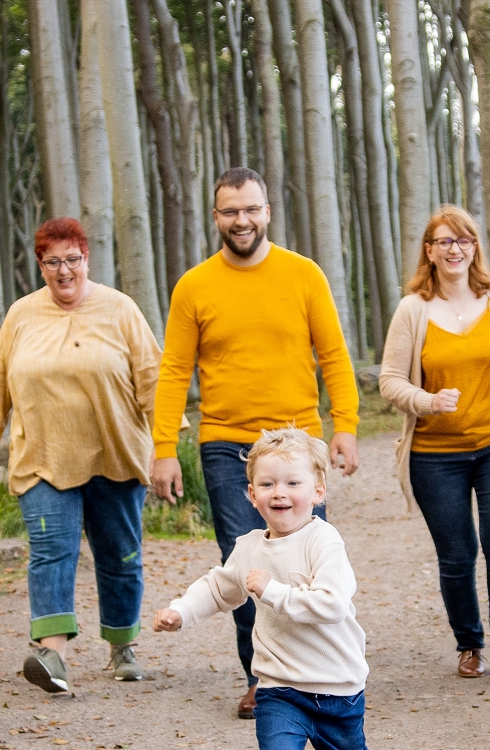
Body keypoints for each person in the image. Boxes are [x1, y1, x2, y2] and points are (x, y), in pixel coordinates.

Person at [150, 167, 360, 720]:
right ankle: (261, 678)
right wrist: (164, 446)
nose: (241, 220)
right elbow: (174, 371)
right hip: (226, 441)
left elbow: (334, 355)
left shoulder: (304, 275)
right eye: (229, 211)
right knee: (242, 559)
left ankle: (319, 669)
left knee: (307, 553)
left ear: (267, 211)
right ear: (216, 216)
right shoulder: (194, 285)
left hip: (296, 441)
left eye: (251, 209)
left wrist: (346, 426)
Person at [153, 429, 367, 750]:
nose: (280, 494)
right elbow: (218, 587)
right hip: (278, 689)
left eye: (292, 483)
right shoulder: (249, 546)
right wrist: (180, 612)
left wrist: (273, 591)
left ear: (318, 490)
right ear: (251, 494)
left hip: (338, 687)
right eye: (267, 484)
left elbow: (331, 603)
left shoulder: (324, 542)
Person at [0, 218, 160, 694]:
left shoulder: (120, 309)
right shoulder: (21, 315)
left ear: (86, 258)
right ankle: (52, 654)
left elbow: (154, 381)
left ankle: (122, 645)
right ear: (40, 265)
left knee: (119, 554)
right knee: (51, 552)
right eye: (52, 262)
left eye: (71, 259)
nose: (63, 271)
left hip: (115, 454)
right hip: (43, 457)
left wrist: (168, 451)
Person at [378, 205, 490, 678]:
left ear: (475, 247)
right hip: (436, 454)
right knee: (456, 553)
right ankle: (469, 643)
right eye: (444, 242)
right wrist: (427, 401)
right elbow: (390, 381)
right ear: (429, 252)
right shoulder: (413, 310)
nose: (455, 249)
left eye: (464, 240)